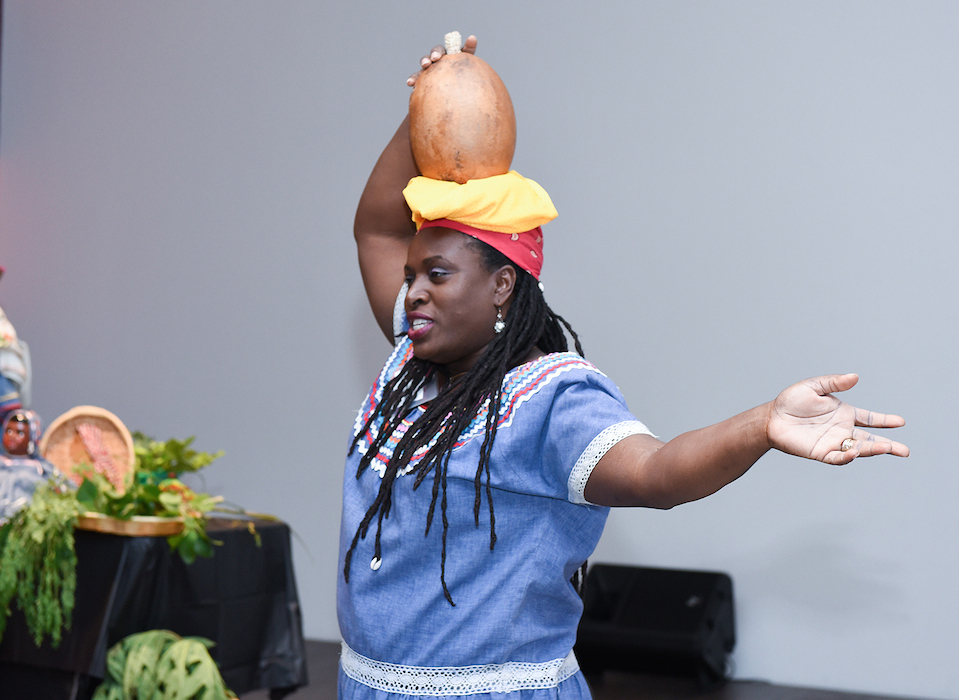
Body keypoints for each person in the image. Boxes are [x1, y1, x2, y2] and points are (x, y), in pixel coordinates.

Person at [337, 36, 910, 700]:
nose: (414, 292)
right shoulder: (411, 361)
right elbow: (377, 230)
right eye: (411, 276)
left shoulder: (548, 399)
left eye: (437, 275)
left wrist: (760, 424)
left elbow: (654, 473)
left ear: (501, 286)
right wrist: (425, 113)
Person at [1, 410, 59, 522]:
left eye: (20, 433)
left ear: (32, 437)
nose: (12, 436)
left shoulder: (40, 469)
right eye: (9, 431)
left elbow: (61, 484)